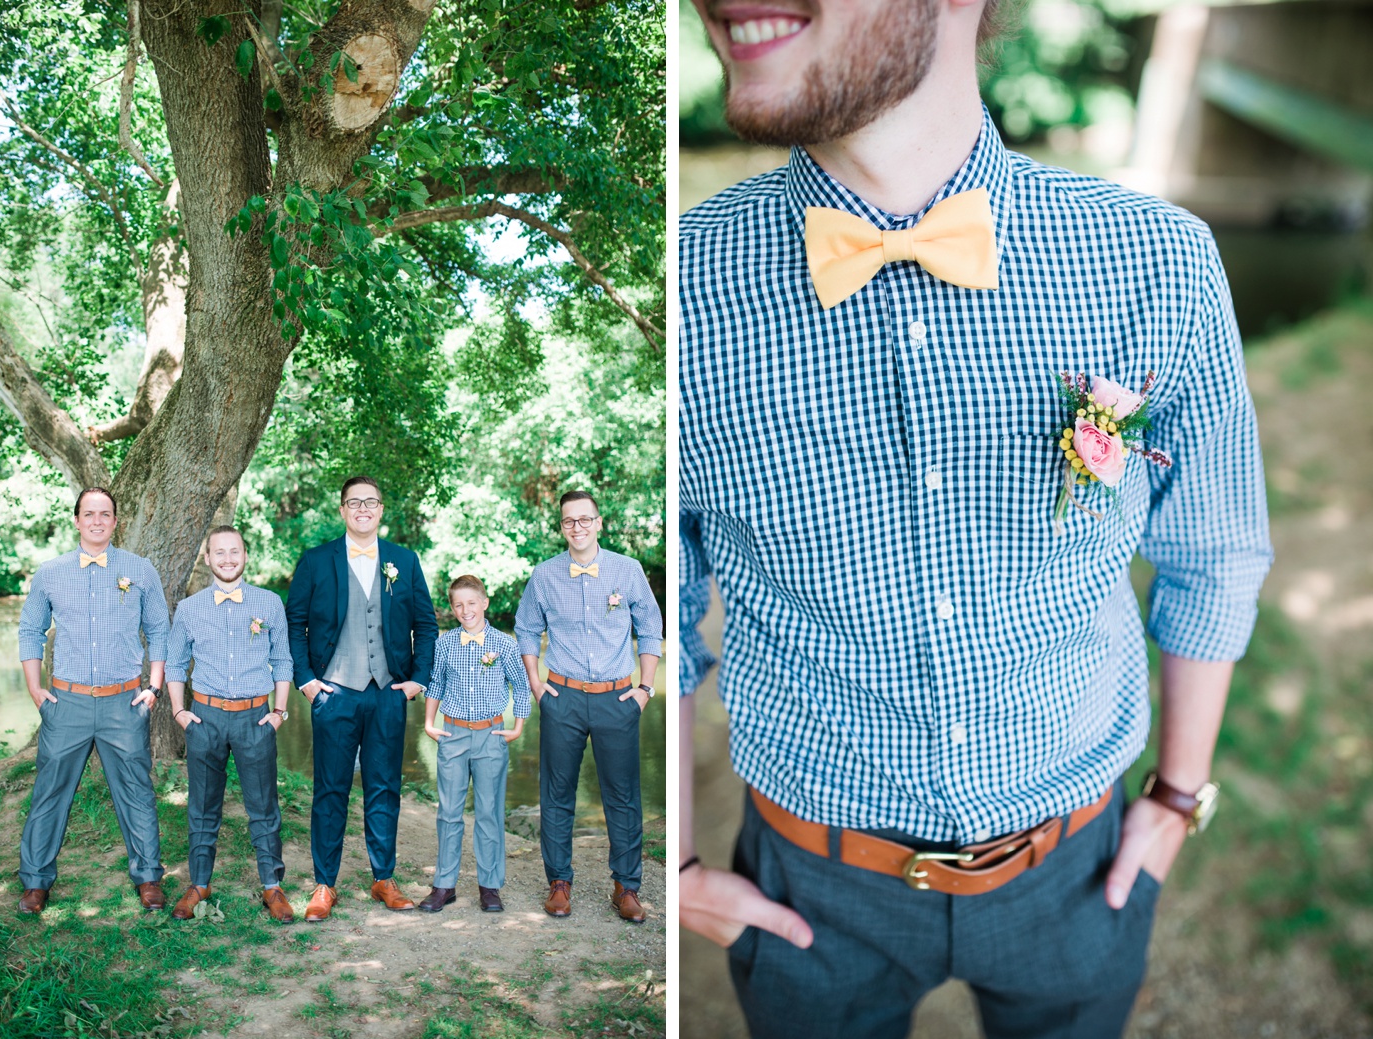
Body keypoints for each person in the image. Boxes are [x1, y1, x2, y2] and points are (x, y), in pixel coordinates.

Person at [678, 0, 1274, 1036]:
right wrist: (676, 860)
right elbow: (656, 603)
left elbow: (1213, 550)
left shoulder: (1154, 263)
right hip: (810, 894)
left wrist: (1176, 796)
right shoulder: (680, 285)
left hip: (1079, 873)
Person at [285, 475, 439, 922]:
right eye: (354, 503)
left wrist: (417, 679)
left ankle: (383, 878)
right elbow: (296, 623)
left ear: (381, 509)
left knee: (385, 787)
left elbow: (426, 625)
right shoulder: (316, 561)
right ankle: (324, 884)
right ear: (342, 510)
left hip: (388, 692)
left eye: (371, 502)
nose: (363, 509)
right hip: (333, 693)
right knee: (329, 790)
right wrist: (308, 681)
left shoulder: (403, 561)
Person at [15, 487, 171, 914]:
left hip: (125, 702)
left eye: (105, 514)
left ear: (116, 521)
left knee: (138, 791)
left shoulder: (139, 569)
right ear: (77, 520)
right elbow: (30, 630)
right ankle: (35, 881)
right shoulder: (50, 572)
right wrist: (35, 689)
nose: (97, 521)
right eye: (89, 514)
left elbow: (159, 630)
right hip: (67, 702)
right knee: (49, 792)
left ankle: (149, 877)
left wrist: (153, 688)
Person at [514, 490, 663, 922]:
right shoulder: (544, 575)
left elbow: (650, 628)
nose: (577, 527)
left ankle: (626, 886)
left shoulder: (628, 570)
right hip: (563, 697)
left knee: (623, 795)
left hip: (619, 698)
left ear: (600, 523)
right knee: (556, 794)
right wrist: (537, 686)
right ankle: (559, 883)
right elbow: (525, 630)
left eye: (585, 520)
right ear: (561, 527)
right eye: (568, 522)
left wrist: (645, 689)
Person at [165, 526, 295, 923]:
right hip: (206, 718)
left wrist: (278, 714)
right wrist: (179, 713)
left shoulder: (270, 603)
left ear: (245, 555)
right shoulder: (189, 608)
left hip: (256, 718)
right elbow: (174, 664)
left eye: (233, 551)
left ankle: (272, 886)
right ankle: (199, 883)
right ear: (207, 558)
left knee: (264, 806)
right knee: (203, 807)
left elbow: (283, 661)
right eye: (218, 552)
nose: (226, 558)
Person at [418, 575, 530, 914]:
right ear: (452, 609)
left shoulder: (504, 644)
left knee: (489, 813)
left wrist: (517, 727)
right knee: (449, 812)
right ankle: (444, 885)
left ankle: (490, 886)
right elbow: (435, 682)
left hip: (491, 736)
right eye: (458, 605)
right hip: (453, 735)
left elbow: (521, 687)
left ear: (484, 603)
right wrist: (428, 722)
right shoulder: (445, 643)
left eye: (471, 602)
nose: (466, 610)